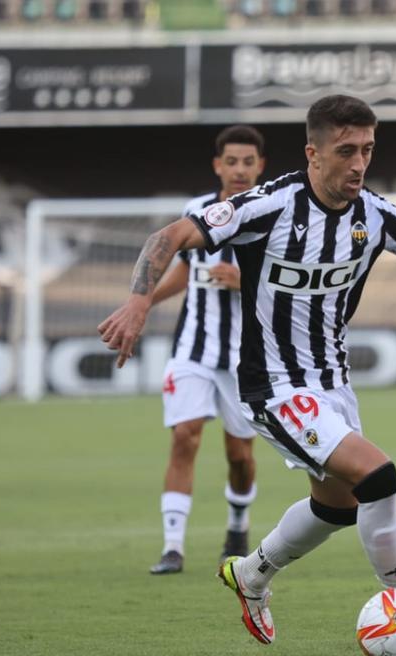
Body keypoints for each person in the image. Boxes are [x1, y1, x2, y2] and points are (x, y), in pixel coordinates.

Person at [98, 95, 396, 656]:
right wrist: (137, 303)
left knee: (338, 507)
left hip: (333, 384)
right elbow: (168, 238)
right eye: (346, 150)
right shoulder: (266, 206)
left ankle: (251, 574)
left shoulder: (375, 214)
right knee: (380, 477)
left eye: (367, 150)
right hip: (272, 385)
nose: (358, 164)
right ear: (313, 153)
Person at [147, 125, 267, 575]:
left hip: (245, 358)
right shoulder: (196, 211)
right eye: (231, 161)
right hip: (192, 350)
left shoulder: (272, 214)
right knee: (184, 437)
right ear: (218, 165)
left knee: (240, 456)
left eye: (248, 162)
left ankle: (237, 524)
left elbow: (287, 285)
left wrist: (245, 281)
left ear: (260, 167)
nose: (239, 169)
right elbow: (184, 270)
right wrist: (141, 303)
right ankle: (172, 547)